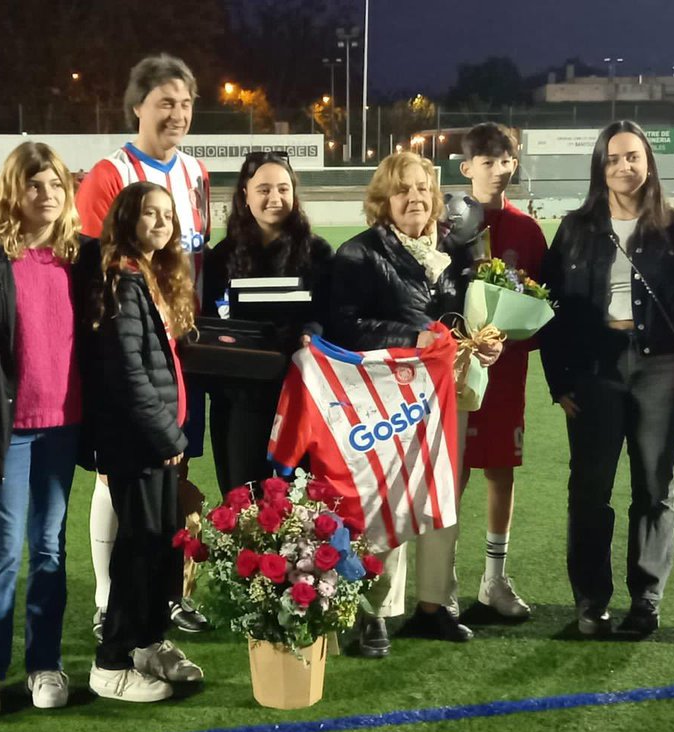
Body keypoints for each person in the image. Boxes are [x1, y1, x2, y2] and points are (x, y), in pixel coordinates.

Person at [0, 142, 100, 718]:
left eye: (57, 184)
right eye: (35, 185)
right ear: (14, 191)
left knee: (51, 550)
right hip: (9, 434)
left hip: (64, 428)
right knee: (4, 550)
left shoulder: (83, 257)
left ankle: (44, 664)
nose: (48, 195)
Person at [540, 121, 674, 638]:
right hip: (594, 370)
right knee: (589, 489)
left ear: (648, 163)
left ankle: (646, 601)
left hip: (660, 368)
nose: (624, 167)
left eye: (633, 157)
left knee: (654, 486)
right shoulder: (575, 227)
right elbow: (549, 308)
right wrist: (558, 381)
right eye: (613, 158)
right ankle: (591, 602)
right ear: (600, 165)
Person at [328, 151, 500, 657]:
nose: (415, 198)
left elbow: (465, 316)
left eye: (423, 188)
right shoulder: (358, 254)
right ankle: (374, 612)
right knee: (387, 503)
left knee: (442, 499)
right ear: (383, 199)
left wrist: (485, 340)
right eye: (403, 189)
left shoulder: (455, 251)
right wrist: (412, 337)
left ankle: (434, 604)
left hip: (446, 394)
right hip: (386, 397)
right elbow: (344, 324)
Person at [76, 53, 211, 636]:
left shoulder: (197, 174)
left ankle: (166, 595)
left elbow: (193, 260)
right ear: (138, 107)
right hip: (130, 344)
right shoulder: (109, 174)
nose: (176, 114)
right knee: (116, 475)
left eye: (184, 104)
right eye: (165, 103)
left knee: (173, 473)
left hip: (180, 352)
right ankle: (109, 601)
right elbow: (92, 266)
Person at [81, 182, 205, 701]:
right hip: (137, 441)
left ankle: (148, 642)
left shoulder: (150, 274)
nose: (160, 222)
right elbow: (127, 372)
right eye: (149, 213)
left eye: (167, 214)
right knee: (138, 549)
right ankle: (110, 663)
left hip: (156, 438)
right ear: (127, 219)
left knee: (159, 546)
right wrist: (165, 435)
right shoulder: (122, 278)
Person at [456, 123, 548, 620]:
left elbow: (542, 305)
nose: (497, 170)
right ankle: (440, 580)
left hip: (506, 373)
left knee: (500, 470)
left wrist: (515, 333)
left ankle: (493, 579)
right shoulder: (446, 224)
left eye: (505, 161)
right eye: (486, 162)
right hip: (449, 372)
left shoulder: (529, 232)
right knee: (452, 471)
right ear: (466, 167)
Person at [202, 150, 333, 494]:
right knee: (242, 506)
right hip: (240, 404)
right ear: (245, 194)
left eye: (283, 188)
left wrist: (311, 334)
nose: (274, 198)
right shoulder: (221, 258)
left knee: (298, 512)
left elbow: (330, 317)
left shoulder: (318, 253)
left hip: (301, 401)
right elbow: (209, 327)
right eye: (263, 189)